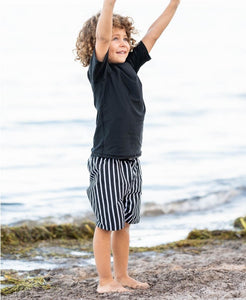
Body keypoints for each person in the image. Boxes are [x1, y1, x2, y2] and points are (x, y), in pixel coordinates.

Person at [75, 0, 180, 294]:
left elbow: (154, 33)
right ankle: (105, 280)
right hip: (107, 161)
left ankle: (121, 275)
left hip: (131, 161)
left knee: (123, 223)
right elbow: (103, 37)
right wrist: (109, 3)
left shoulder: (131, 66)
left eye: (125, 39)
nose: (121, 44)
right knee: (106, 224)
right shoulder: (101, 72)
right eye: (115, 39)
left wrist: (175, 3)